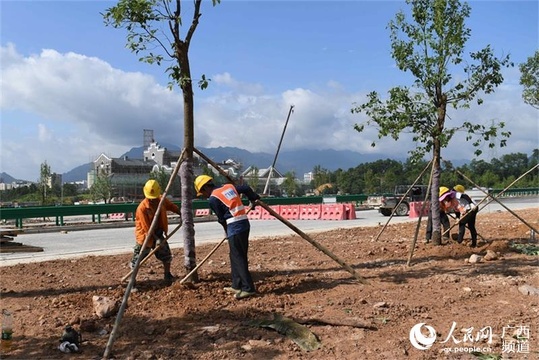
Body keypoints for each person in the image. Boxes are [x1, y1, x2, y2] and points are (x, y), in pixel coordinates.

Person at [194, 175, 261, 300]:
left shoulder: (213, 199)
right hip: (244, 224)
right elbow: (246, 188)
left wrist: (226, 231)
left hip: (234, 227)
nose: (204, 196)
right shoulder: (228, 187)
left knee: (238, 257)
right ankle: (236, 285)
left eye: (202, 193)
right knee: (235, 256)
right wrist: (253, 198)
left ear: (205, 188)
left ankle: (248, 288)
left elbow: (221, 219)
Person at [131, 179, 181, 286]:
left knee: (166, 254)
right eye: (150, 198)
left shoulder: (161, 200)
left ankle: (167, 275)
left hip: (158, 232)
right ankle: (132, 282)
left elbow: (171, 206)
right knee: (138, 258)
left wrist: (180, 212)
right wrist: (155, 239)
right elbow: (146, 228)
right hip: (145, 236)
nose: (153, 200)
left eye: (154, 198)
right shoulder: (142, 208)